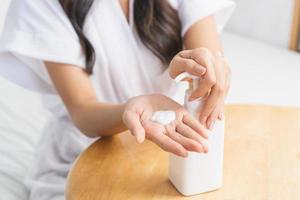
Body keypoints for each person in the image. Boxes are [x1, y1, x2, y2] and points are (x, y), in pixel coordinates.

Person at [0, 0, 235, 199]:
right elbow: (83, 109)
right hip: (82, 155)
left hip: (163, 148)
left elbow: (207, 57)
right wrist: (131, 110)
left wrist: (208, 69)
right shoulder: (40, 4)